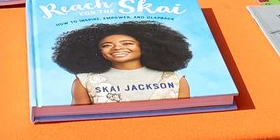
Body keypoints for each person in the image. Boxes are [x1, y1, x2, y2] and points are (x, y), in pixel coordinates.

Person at [52, 21, 192, 104]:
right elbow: (79, 124)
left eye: (127, 43)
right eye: (106, 45)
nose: (117, 48)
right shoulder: (84, 81)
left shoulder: (176, 79)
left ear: (144, 46)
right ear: (98, 51)